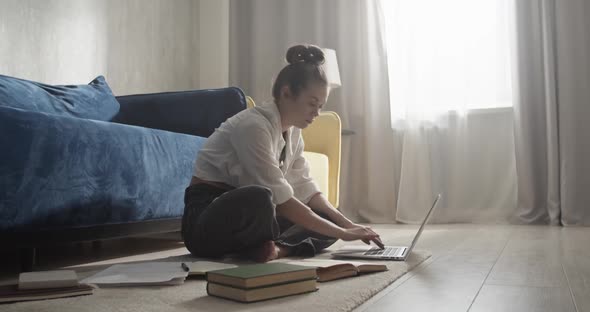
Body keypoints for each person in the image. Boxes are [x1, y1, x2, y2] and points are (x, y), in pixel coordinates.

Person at [182, 44, 383, 262]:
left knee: (326, 216)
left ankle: (276, 250)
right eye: (312, 103)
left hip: (259, 218)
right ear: (286, 93)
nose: (317, 113)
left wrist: (348, 224)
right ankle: (269, 245)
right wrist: (344, 234)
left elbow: (306, 188)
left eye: (321, 106)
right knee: (261, 197)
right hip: (208, 218)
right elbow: (282, 198)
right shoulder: (252, 126)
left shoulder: (294, 132)